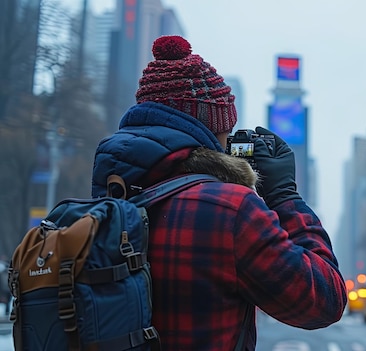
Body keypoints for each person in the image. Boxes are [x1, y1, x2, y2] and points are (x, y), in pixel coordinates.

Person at [90, 35, 347, 350]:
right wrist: (284, 195)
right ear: (212, 129)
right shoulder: (230, 211)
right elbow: (323, 300)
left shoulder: (104, 202)